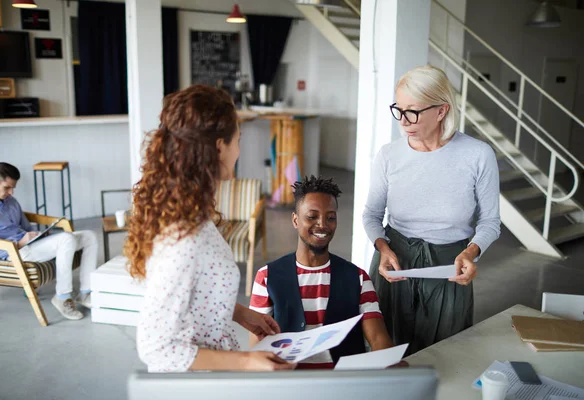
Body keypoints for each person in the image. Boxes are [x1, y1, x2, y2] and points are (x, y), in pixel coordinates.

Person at [125, 85, 296, 373]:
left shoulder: (187, 211)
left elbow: (194, 294)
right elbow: (155, 347)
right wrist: (247, 361)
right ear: (220, 146)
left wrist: (240, 313)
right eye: (238, 140)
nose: (239, 151)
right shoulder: (184, 239)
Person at [363, 65, 501, 356]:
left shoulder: (477, 155)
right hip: (395, 263)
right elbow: (372, 215)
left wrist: (471, 252)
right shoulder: (389, 155)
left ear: (441, 111)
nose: (403, 121)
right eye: (399, 110)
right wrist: (383, 248)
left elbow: (490, 222)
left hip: (449, 267)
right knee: (387, 352)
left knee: (445, 355)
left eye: (413, 111)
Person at [250, 175, 393, 369]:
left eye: (330, 217)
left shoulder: (358, 278)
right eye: (312, 216)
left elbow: (378, 339)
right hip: (288, 384)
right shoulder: (266, 277)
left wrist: (386, 366)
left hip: (342, 386)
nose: (323, 225)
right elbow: (256, 347)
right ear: (295, 220)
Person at [0, 162, 98, 321]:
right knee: (66, 239)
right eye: (7, 188)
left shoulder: (11, 202)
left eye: (13, 188)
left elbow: (25, 227)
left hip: (30, 244)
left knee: (89, 236)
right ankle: (62, 297)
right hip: (14, 252)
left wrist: (38, 235)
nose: (11, 192)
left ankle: (85, 293)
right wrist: (19, 244)